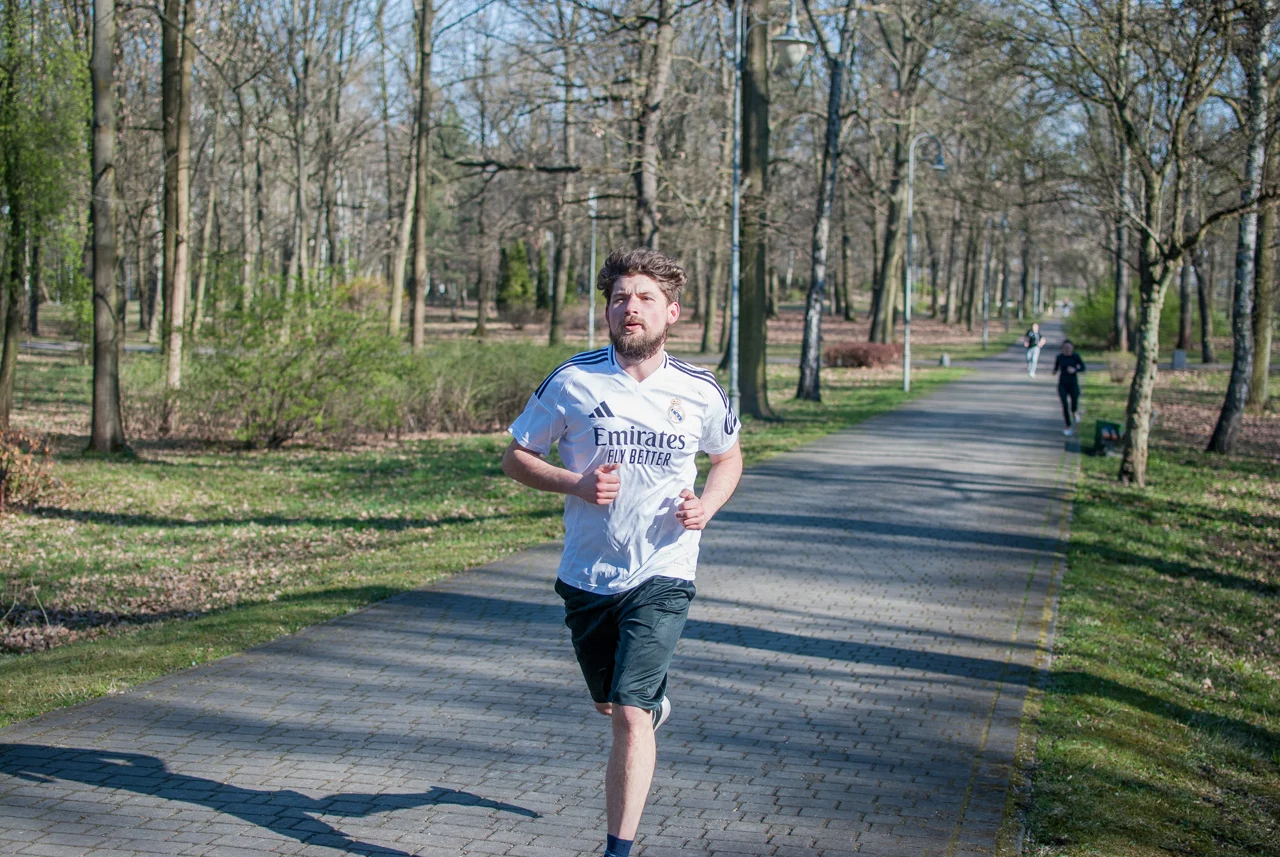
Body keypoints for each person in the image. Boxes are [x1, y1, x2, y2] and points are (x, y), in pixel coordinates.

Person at [501, 247, 743, 857]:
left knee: (630, 716)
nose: (629, 308)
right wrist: (575, 484)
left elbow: (728, 457)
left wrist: (707, 507)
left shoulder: (700, 389)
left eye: (643, 299)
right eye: (619, 299)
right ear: (607, 311)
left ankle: (617, 850)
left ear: (671, 313)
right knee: (611, 703)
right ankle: (648, 701)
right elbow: (516, 457)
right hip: (587, 572)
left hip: (664, 568)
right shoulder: (573, 380)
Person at [1053, 339, 1086, 435]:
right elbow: (1055, 368)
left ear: (1072, 348)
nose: (1067, 350)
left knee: (1074, 404)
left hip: (1073, 383)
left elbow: (1083, 368)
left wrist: (1074, 369)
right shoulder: (1059, 357)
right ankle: (1068, 426)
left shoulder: (1076, 357)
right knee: (1064, 405)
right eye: (1065, 348)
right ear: (1062, 348)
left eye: (1069, 348)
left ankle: (1075, 412)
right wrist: (1054, 371)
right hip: (1062, 383)